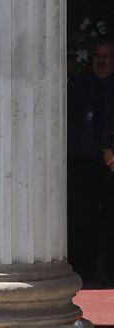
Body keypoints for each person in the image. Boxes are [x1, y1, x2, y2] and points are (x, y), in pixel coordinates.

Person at [67, 40, 114, 283]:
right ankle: (82, 270)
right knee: (81, 218)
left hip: (107, 163)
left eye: (106, 56)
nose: (101, 61)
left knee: (107, 220)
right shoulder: (80, 86)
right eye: (97, 55)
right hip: (80, 162)